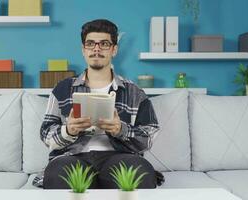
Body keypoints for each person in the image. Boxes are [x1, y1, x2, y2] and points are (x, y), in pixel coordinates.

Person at [34, 19, 163, 189]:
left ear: (114, 50)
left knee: (140, 170)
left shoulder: (134, 92)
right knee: (58, 172)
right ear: (83, 50)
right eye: (90, 44)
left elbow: (149, 136)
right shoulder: (62, 89)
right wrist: (68, 130)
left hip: (119, 157)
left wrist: (121, 130)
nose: (96, 48)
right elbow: (46, 134)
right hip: (72, 157)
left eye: (104, 44)